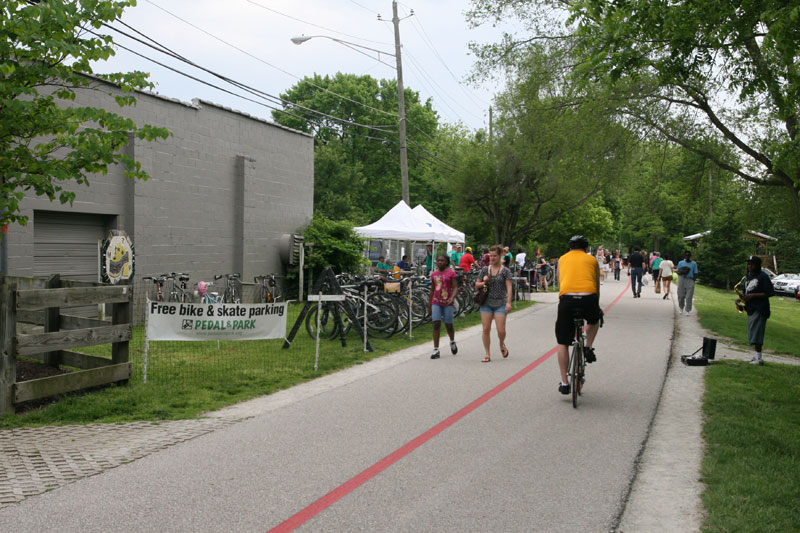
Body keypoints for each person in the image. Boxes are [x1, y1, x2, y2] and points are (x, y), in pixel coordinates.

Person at [555, 235, 601, 395]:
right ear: (586, 248)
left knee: (562, 342)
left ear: (570, 247)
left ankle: (565, 382)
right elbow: (596, 284)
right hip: (588, 297)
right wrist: (597, 305)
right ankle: (588, 347)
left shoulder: (562, 259)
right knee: (595, 320)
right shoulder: (592, 260)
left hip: (567, 299)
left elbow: (560, 281)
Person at [475, 245, 513, 362]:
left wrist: (508, 303)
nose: (492, 258)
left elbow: (509, 287)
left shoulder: (505, 271)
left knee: (501, 330)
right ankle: (487, 354)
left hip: (500, 303)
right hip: (486, 303)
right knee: (486, 329)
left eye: (494, 256)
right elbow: (476, 285)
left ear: (500, 255)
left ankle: (501, 344)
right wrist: (483, 282)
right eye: (490, 256)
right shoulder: (484, 270)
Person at [737, 256, 775, 365]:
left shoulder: (763, 277)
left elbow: (770, 293)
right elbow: (747, 293)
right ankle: (756, 356)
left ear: (758, 265)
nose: (750, 266)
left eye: (752, 264)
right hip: (751, 308)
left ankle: (759, 358)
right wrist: (740, 299)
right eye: (749, 264)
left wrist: (753, 296)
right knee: (753, 332)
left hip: (760, 308)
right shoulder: (749, 277)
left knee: (757, 333)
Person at [429, 254, 459, 359]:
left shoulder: (451, 273)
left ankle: (452, 341)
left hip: (447, 303)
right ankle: (436, 349)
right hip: (436, 302)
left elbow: (455, 287)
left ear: (446, 262)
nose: (439, 262)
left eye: (442, 260)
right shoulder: (434, 274)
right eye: (438, 260)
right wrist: (429, 306)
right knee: (436, 324)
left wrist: (452, 297)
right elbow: (432, 290)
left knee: (448, 325)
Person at [676, 250, 699, 315]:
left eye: (688, 255)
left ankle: (687, 310)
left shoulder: (694, 263)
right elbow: (678, 271)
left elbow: (695, 273)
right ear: (684, 256)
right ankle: (681, 307)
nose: (687, 256)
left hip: (690, 279)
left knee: (689, 296)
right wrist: (681, 272)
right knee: (681, 295)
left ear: (690, 256)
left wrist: (693, 280)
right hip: (682, 279)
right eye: (686, 255)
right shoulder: (680, 263)